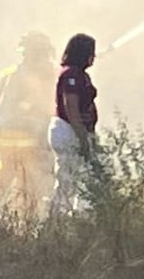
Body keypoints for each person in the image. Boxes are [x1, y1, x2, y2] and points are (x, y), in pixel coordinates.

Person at [0, 31, 56, 211]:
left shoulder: (9, 74)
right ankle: (28, 222)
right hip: (27, 137)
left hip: (5, 136)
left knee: (4, 173)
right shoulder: (32, 77)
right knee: (31, 179)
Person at [48, 33, 98, 216]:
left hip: (73, 131)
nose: (94, 57)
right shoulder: (72, 75)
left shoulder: (78, 74)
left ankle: (78, 218)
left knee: (80, 178)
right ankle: (57, 222)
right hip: (69, 131)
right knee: (67, 180)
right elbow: (72, 108)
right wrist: (82, 137)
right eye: (91, 53)